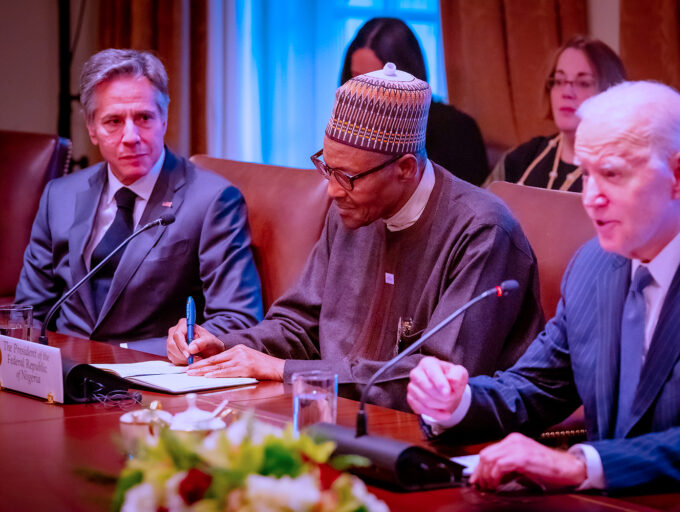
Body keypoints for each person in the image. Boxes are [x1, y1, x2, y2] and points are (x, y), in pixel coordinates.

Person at [407, 81, 680, 492]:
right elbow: (537, 386)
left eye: (611, 174)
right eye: (586, 175)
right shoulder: (593, 265)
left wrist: (582, 465)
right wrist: (457, 402)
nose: (590, 197)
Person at [167, 63, 544, 410]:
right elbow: (298, 325)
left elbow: (436, 381)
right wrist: (224, 344)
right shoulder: (350, 209)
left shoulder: (481, 230)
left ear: (405, 169)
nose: (332, 190)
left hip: (435, 437)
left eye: (347, 177)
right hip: (338, 416)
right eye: (327, 168)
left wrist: (284, 370)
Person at [15, 49, 263, 354]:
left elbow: (237, 319)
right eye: (113, 121)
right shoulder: (59, 195)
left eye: (144, 117)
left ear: (164, 119)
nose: (130, 136)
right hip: (64, 368)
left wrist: (168, 349)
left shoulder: (213, 200)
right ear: (91, 128)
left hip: (148, 371)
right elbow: (29, 313)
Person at [341, 17, 490, 186]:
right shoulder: (351, 128)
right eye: (357, 79)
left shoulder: (454, 129)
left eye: (378, 81)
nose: (364, 92)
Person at [485, 36, 626, 192]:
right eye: (559, 81)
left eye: (583, 83)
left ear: (610, 93)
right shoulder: (523, 158)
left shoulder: (622, 170)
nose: (566, 92)